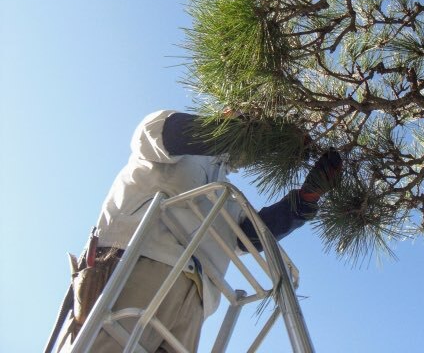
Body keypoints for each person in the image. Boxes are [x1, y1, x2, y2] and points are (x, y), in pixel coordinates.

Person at [62, 110, 341, 353]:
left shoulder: (227, 196)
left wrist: (308, 196)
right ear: (227, 114)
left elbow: (249, 236)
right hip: (137, 266)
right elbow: (174, 133)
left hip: (196, 300)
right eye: (247, 124)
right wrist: (257, 135)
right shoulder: (161, 133)